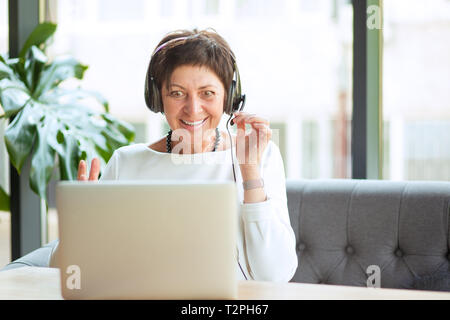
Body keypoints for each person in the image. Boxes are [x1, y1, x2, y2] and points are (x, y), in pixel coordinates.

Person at [77, 29, 298, 282]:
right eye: (177, 93)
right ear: (158, 97)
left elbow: (276, 275)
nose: (193, 109)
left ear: (229, 98)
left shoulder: (260, 155)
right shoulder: (125, 163)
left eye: (207, 93)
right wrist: (82, 227)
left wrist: (249, 173)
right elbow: (75, 276)